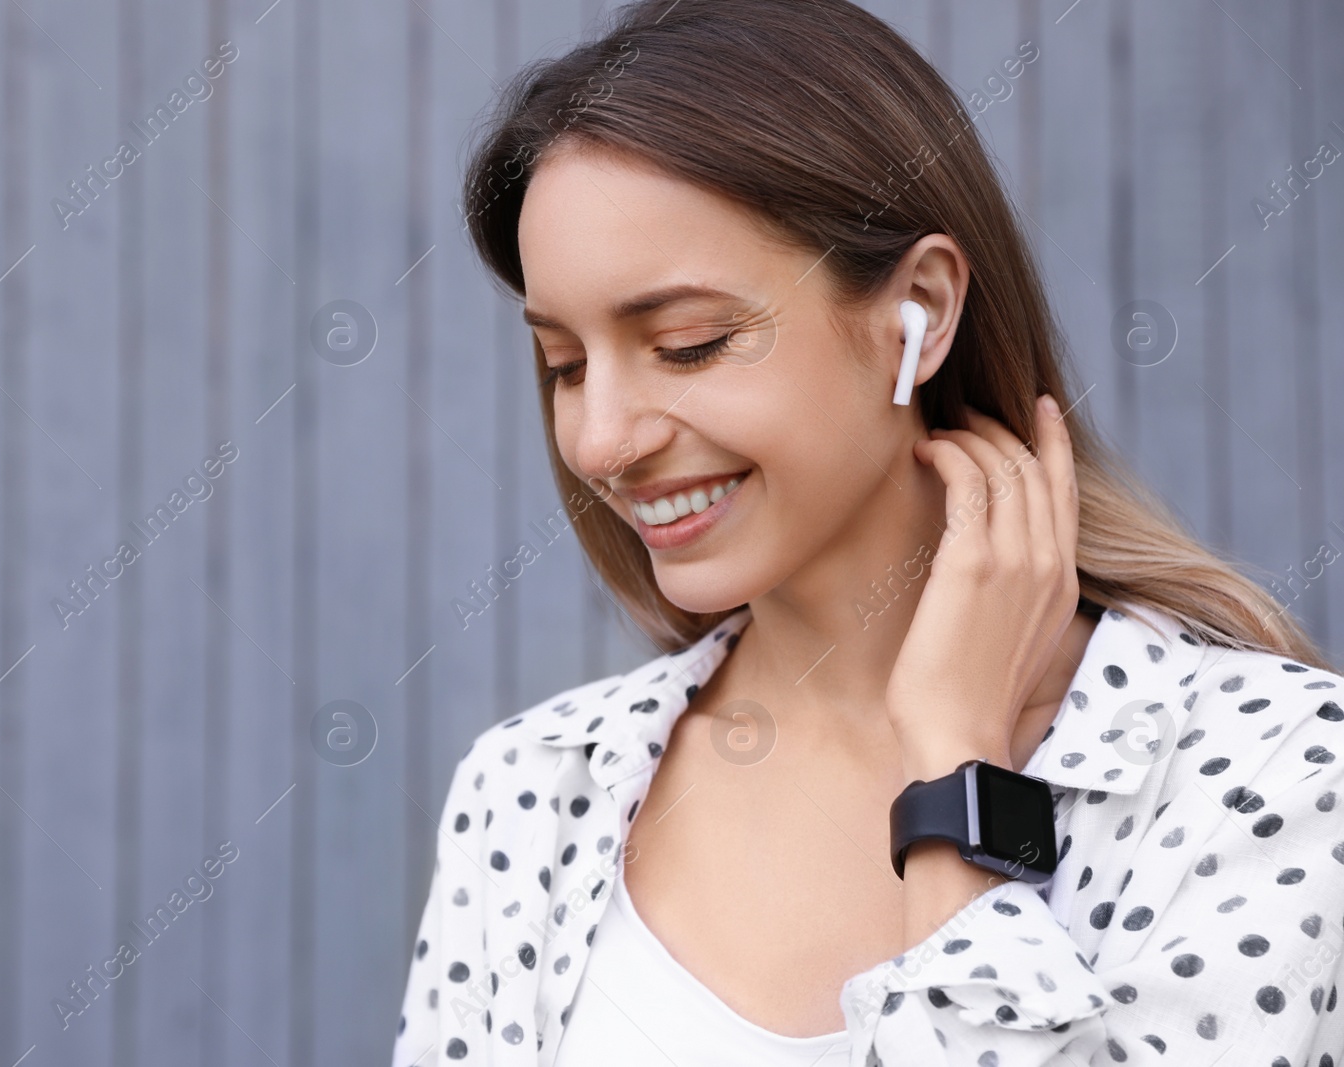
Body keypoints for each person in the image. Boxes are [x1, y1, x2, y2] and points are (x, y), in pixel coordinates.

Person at [393, 0, 1344, 1063]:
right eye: (565, 364)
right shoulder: (535, 794)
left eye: (689, 344)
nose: (601, 438)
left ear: (921, 313)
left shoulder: (1266, 774)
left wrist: (955, 777)